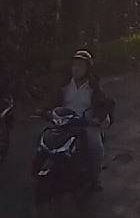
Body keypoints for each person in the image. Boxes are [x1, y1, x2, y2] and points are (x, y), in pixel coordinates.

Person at [45, 49, 114, 190]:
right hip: (64, 122)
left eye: (80, 66)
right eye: (74, 65)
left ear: (88, 69)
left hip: (86, 124)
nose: (76, 69)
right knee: (45, 140)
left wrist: (98, 118)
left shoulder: (94, 87)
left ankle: (95, 179)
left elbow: (103, 104)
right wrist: (47, 111)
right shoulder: (64, 84)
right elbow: (52, 101)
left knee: (96, 147)